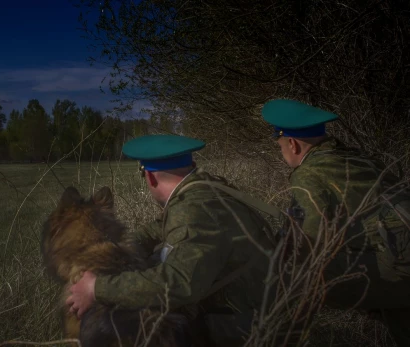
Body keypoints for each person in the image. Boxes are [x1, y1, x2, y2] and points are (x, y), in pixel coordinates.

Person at [66, 134, 280, 346]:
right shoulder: (203, 189)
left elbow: (179, 283)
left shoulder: (194, 210)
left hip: (248, 324)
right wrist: (119, 250)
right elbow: (162, 226)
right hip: (255, 301)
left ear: (149, 177)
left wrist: (96, 288)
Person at [260, 98, 410, 346]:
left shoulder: (309, 173)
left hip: (397, 268)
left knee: (291, 272)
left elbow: (310, 242)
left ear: (293, 144)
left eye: (280, 147)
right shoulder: (359, 158)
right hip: (401, 255)